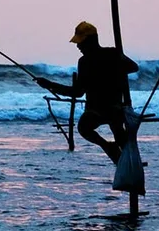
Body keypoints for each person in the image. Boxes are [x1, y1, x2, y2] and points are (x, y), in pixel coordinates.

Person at [35, 21, 139, 163]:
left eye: (80, 42)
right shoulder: (109, 54)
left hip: (111, 108)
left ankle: (122, 156)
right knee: (95, 128)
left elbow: (77, 92)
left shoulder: (92, 59)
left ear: (90, 41)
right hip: (104, 110)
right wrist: (50, 85)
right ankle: (112, 149)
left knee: (91, 128)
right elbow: (133, 68)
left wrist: (50, 85)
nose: (78, 46)